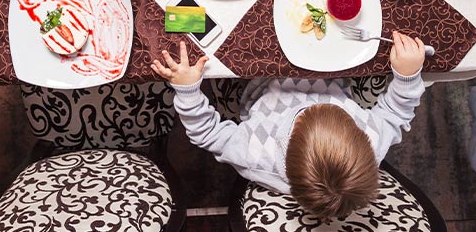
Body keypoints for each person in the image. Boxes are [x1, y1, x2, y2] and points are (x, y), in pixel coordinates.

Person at [152, 34, 427, 220]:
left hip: (260, 82)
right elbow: (396, 112)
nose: (312, 104)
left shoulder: (256, 155)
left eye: (305, 115)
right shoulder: (371, 143)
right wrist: (407, 76)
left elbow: (207, 132)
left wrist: (187, 90)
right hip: (330, 73)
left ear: (285, 146)